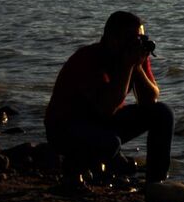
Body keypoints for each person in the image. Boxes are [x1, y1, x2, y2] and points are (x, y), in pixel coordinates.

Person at [44, 10, 174, 183]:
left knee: (162, 113)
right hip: (65, 127)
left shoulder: (134, 57)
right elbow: (104, 108)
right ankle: (74, 168)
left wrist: (137, 68)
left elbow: (149, 100)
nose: (139, 45)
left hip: (101, 121)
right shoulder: (87, 60)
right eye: (133, 40)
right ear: (113, 41)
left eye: (142, 39)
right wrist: (128, 66)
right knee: (110, 143)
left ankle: (156, 183)